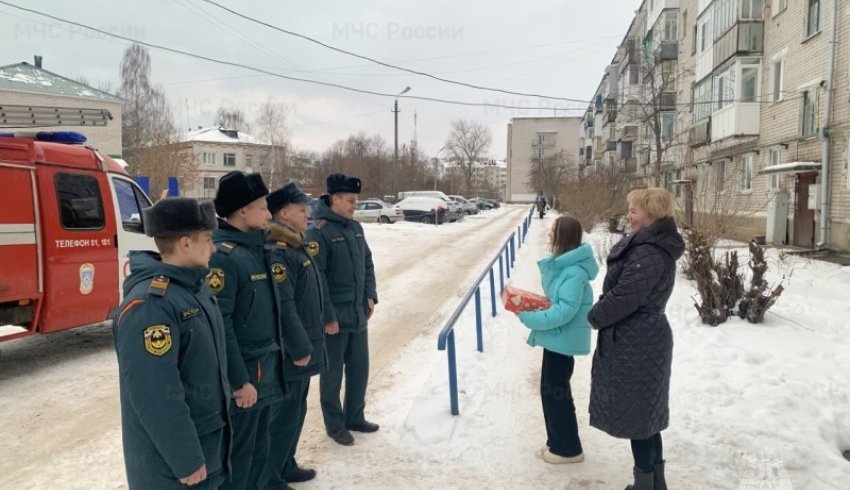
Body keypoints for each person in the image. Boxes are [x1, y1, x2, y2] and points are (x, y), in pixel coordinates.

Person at [113, 197, 231, 489]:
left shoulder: (193, 289)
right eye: (207, 239)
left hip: (206, 444)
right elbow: (154, 394)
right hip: (173, 466)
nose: (213, 248)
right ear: (185, 244)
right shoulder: (150, 305)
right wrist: (185, 458)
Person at [587, 187, 684, 490]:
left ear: (651, 215)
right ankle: (655, 483)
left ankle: (646, 485)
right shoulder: (649, 245)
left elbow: (625, 297)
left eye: (634, 211)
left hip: (637, 340)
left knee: (639, 420)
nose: (628, 216)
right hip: (639, 338)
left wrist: (595, 315)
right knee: (645, 417)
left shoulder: (649, 251)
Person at [209, 171, 293, 490]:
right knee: (239, 458)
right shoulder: (223, 257)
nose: (269, 214)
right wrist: (239, 380)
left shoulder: (256, 249)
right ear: (243, 210)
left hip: (265, 368)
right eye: (262, 207)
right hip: (245, 375)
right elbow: (222, 325)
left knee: (260, 450)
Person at [516, 216, 599, 465]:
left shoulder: (573, 272)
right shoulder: (564, 266)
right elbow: (557, 302)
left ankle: (568, 449)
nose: (548, 235)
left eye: (553, 231)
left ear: (563, 236)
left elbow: (564, 312)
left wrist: (530, 318)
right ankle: (557, 442)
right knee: (551, 393)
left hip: (562, 341)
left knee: (557, 394)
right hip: (557, 341)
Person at [306, 173, 379, 446]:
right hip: (334, 319)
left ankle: (355, 417)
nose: (354, 205)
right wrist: (327, 316)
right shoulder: (320, 232)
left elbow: (368, 264)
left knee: (359, 370)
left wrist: (370, 295)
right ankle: (335, 425)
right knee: (332, 375)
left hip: (358, 315)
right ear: (334, 199)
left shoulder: (356, 228)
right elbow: (317, 278)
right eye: (350, 200)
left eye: (356, 200)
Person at [264, 182, 326, 488]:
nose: (308, 213)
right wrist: (299, 346)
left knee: (296, 409)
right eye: (302, 209)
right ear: (284, 213)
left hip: (305, 344)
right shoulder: (280, 251)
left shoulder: (295, 243)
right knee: (283, 414)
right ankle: (271, 475)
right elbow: (284, 306)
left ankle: (286, 463)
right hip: (292, 351)